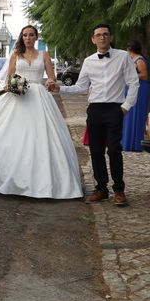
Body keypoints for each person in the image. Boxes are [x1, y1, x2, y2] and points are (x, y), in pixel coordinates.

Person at [0, 25, 83, 199]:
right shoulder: (15, 55)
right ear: (22, 38)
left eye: (31, 35)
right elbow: (9, 77)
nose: (28, 38)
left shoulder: (44, 55)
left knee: (43, 136)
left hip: (38, 97)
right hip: (17, 95)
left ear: (36, 38)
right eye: (25, 35)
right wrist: (14, 85)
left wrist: (50, 82)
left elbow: (51, 76)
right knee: (5, 133)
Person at [51, 24, 139, 205]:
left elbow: (134, 83)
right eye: (98, 35)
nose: (102, 38)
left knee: (114, 149)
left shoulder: (123, 57)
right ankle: (101, 189)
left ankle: (119, 191)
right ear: (93, 39)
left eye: (105, 34)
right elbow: (81, 86)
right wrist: (60, 88)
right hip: (95, 110)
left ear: (111, 37)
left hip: (115, 109)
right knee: (96, 150)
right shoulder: (89, 61)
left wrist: (126, 107)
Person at [121, 39, 149, 151]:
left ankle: (135, 143)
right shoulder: (132, 59)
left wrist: (130, 75)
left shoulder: (139, 60)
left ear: (129, 49)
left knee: (136, 115)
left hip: (140, 90)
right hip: (132, 88)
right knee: (129, 116)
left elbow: (144, 75)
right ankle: (127, 142)